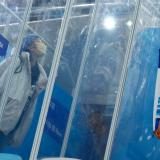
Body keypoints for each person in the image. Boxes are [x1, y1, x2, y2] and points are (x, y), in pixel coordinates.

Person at [0, 34, 47, 148]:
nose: (43, 44)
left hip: (13, 125)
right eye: (39, 41)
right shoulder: (14, 61)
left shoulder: (40, 75)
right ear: (30, 46)